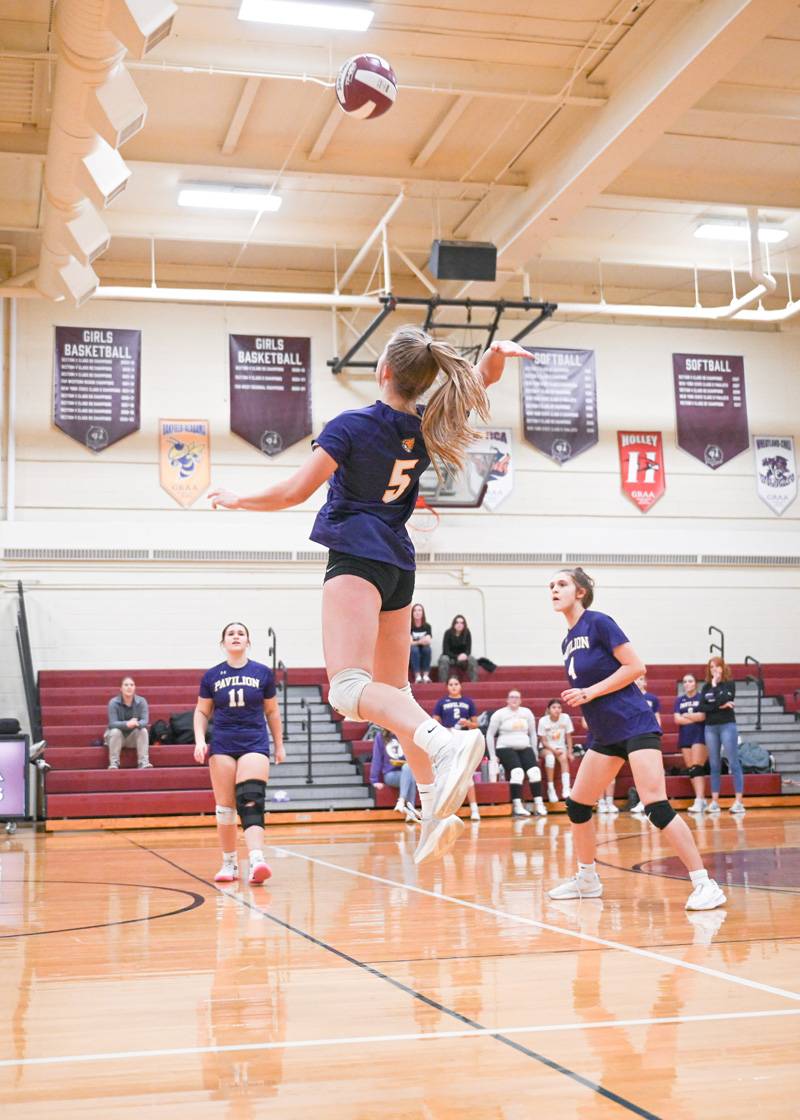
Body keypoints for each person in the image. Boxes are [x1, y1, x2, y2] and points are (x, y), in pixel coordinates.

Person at [208, 327, 530, 865]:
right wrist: (494, 359)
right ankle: (434, 808)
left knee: (347, 689)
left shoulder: (351, 426)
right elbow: (476, 381)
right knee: (394, 694)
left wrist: (238, 499)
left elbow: (292, 491)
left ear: (384, 372)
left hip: (356, 555)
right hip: (398, 564)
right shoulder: (428, 422)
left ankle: (445, 742)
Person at [547, 567, 726, 911]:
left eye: (562, 583)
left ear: (580, 591)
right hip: (605, 733)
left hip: (635, 723)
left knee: (655, 806)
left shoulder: (599, 622)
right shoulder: (567, 640)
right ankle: (587, 878)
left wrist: (588, 692)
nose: (554, 589)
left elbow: (635, 667)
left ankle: (705, 884)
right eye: (551, 585)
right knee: (578, 805)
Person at [193, 621, 285, 885]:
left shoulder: (262, 673)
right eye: (231, 634)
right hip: (222, 743)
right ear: (223, 643)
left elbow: (272, 711)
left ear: (248, 642)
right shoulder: (211, 676)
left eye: (241, 633)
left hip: (253, 742)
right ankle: (230, 863)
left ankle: (257, 860)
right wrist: (200, 740)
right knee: (225, 809)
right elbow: (201, 711)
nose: (236, 637)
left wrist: (279, 745)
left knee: (251, 798)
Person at [487, 689, 547, 818]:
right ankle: (518, 806)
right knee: (517, 772)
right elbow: (490, 735)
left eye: (517, 697)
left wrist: (535, 752)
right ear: (507, 700)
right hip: (505, 747)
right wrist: (492, 755)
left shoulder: (527, 713)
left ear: (520, 700)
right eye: (511, 697)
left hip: (525, 747)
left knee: (534, 772)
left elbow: (532, 734)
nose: (514, 699)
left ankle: (539, 804)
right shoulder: (499, 714)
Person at [699, 657, 745, 815]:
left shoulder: (729, 684)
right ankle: (714, 802)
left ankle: (739, 802)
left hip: (727, 726)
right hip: (710, 727)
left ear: (723, 668)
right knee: (714, 764)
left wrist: (718, 697)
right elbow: (702, 706)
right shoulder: (706, 686)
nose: (714, 669)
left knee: (733, 762)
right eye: (711, 667)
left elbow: (726, 698)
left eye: (717, 666)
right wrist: (720, 704)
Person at [434, 676, 481, 821]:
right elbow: (435, 722)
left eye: (456, 684)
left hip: (465, 740)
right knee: (448, 775)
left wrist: (467, 723)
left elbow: (476, 724)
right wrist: (445, 730)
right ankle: (446, 811)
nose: (453, 686)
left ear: (460, 686)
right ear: (447, 687)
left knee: (467, 775)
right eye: (451, 684)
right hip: (448, 740)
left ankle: (474, 809)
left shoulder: (468, 702)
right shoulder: (441, 702)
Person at [674, 672, 707, 814]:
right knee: (691, 770)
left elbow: (703, 716)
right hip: (685, 736)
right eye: (685, 681)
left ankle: (699, 800)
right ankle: (701, 800)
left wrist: (686, 716)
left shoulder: (701, 697)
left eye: (690, 681)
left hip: (699, 735)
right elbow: (677, 719)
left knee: (697, 768)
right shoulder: (679, 700)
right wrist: (694, 717)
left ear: (695, 683)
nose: (687, 684)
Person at [370, 727, 419, 822]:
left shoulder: (405, 735)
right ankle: (410, 809)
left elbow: (413, 756)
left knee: (408, 769)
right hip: (391, 775)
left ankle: (401, 801)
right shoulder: (380, 737)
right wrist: (374, 780)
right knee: (410, 775)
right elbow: (377, 758)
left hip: (406, 772)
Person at [630, 675, 662, 815]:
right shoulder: (628, 697)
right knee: (639, 771)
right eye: (635, 679)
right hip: (634, 736)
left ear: (645, 682)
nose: (638, 681)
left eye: (641, 678)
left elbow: (657, 718)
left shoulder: (652, 698)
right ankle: (642, 800)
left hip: (648, 735)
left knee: (650, 770)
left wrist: (656, 733)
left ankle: (649, 801)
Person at [105, 675, 151, 769]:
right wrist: (127, 724)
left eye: (131, 685)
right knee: (115, 731)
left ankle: (143, 762)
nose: (129, 687)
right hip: (116, 738)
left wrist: (137, 723)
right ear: (121, 688)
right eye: (126, 685)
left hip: (132, 738)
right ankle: (114, 763)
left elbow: (145, 721)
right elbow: (112, 723)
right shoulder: (113, 702)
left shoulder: (141, 701)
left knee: (143, 731)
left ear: (135, 688)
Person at [537, 698, 574, 804]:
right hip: (546, 748)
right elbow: (543, 741)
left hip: (560, 747)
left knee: (564, 758)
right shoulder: (543, 721)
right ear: (548, 709)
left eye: (559, 707)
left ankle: (566, 788)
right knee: (550, 758)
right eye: (554, 707)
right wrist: (553, 750)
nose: (557, 710)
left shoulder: (565, 718)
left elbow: (569, 737)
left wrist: (570, 752)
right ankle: (551, 788)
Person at [437, 614, 478, 683]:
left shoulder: (467, 633)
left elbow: (468, 650)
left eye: (462, 623)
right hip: (450, 657)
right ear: (454, 624)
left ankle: (474, 683)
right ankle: (442, 683)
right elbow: (445, 650)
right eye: (457, 622)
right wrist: (456, 657)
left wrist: (464, 655)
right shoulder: (448, 633)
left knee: (472, 659)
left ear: (464, 625)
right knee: (443, 659)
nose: (459, 624)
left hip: (462, 658)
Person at [409, 603, 433, 683]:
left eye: (419, 610)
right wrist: (420, 641)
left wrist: (416, 641)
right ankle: (418, 676)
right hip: (412, 652)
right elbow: (410, 643)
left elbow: (428, 640)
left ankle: (426, 676)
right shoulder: (409, 626)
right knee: (414, 649)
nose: (417, 612)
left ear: (423, 613)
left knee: (427, 649)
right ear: (412, 613)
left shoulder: (427, 626)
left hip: (424, 649)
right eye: (415, 610)